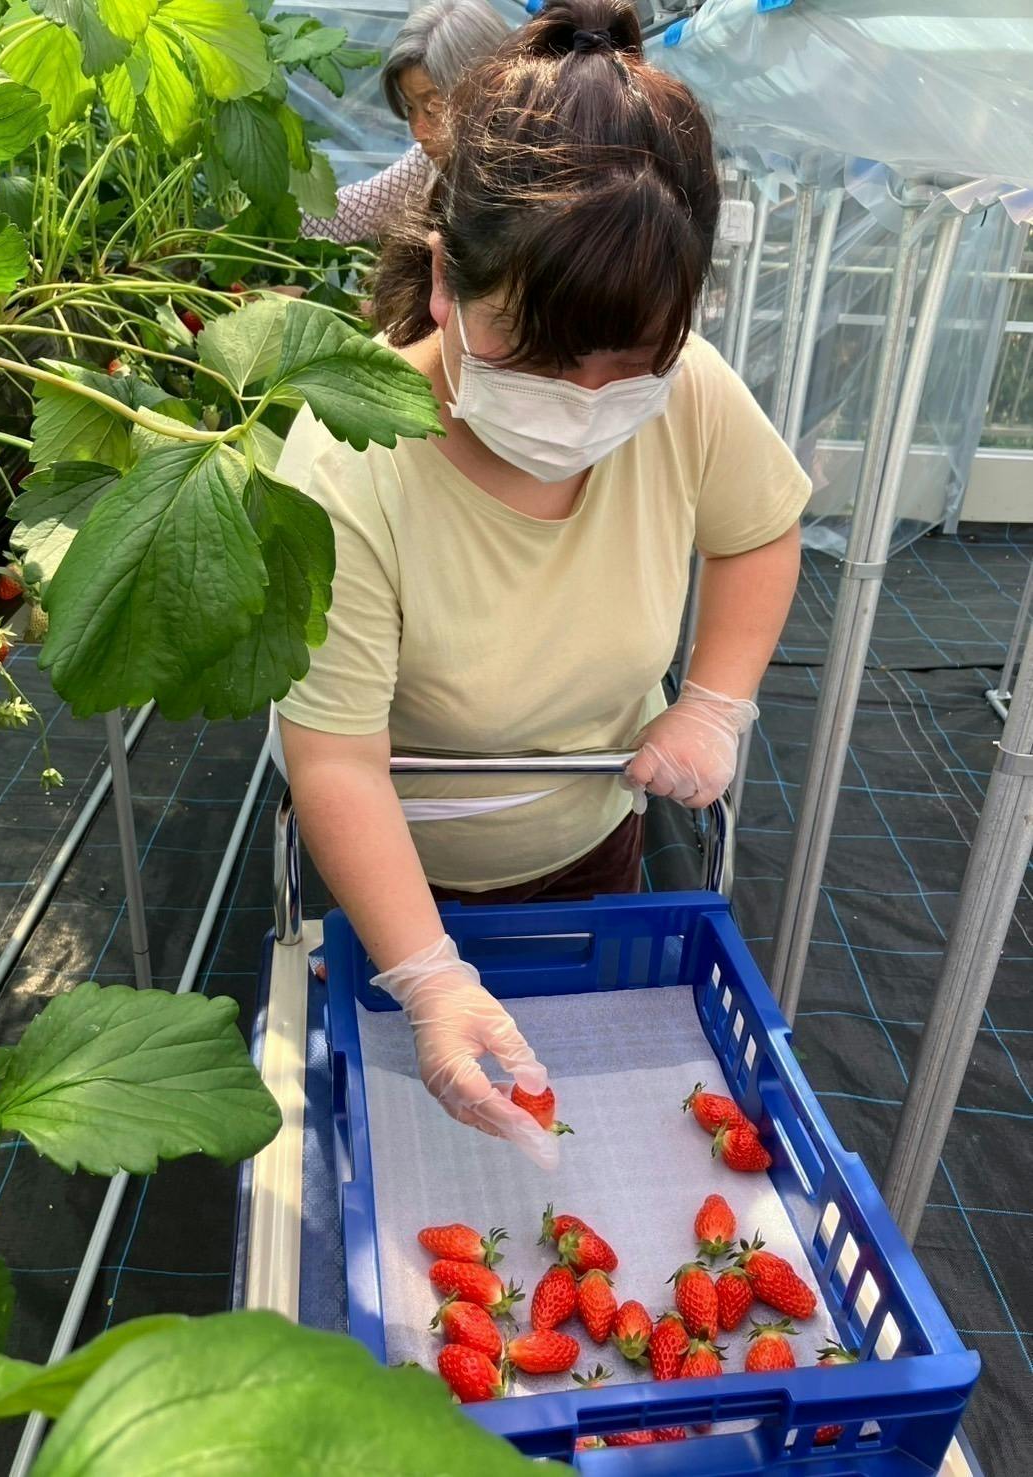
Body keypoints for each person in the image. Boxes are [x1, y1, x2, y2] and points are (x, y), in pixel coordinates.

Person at [274, 0, 810, 1169]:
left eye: (632, 366)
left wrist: (712, 702)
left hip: (590, 832)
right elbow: (334, 759)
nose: (585, 403)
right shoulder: (346, 460)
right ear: (442, 284)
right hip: (402, 866)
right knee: (424, 1118)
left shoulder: (691, 397)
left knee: (559, 1106)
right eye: (539, 357)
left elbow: (761, 531)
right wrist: (427, 974)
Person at [299, 0, 510, 244]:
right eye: (410, 107)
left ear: (489, 91)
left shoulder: (529, 182)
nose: (419, 132)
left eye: (432, 109)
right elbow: (357, 211)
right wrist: (272, 216)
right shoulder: (429, 164)